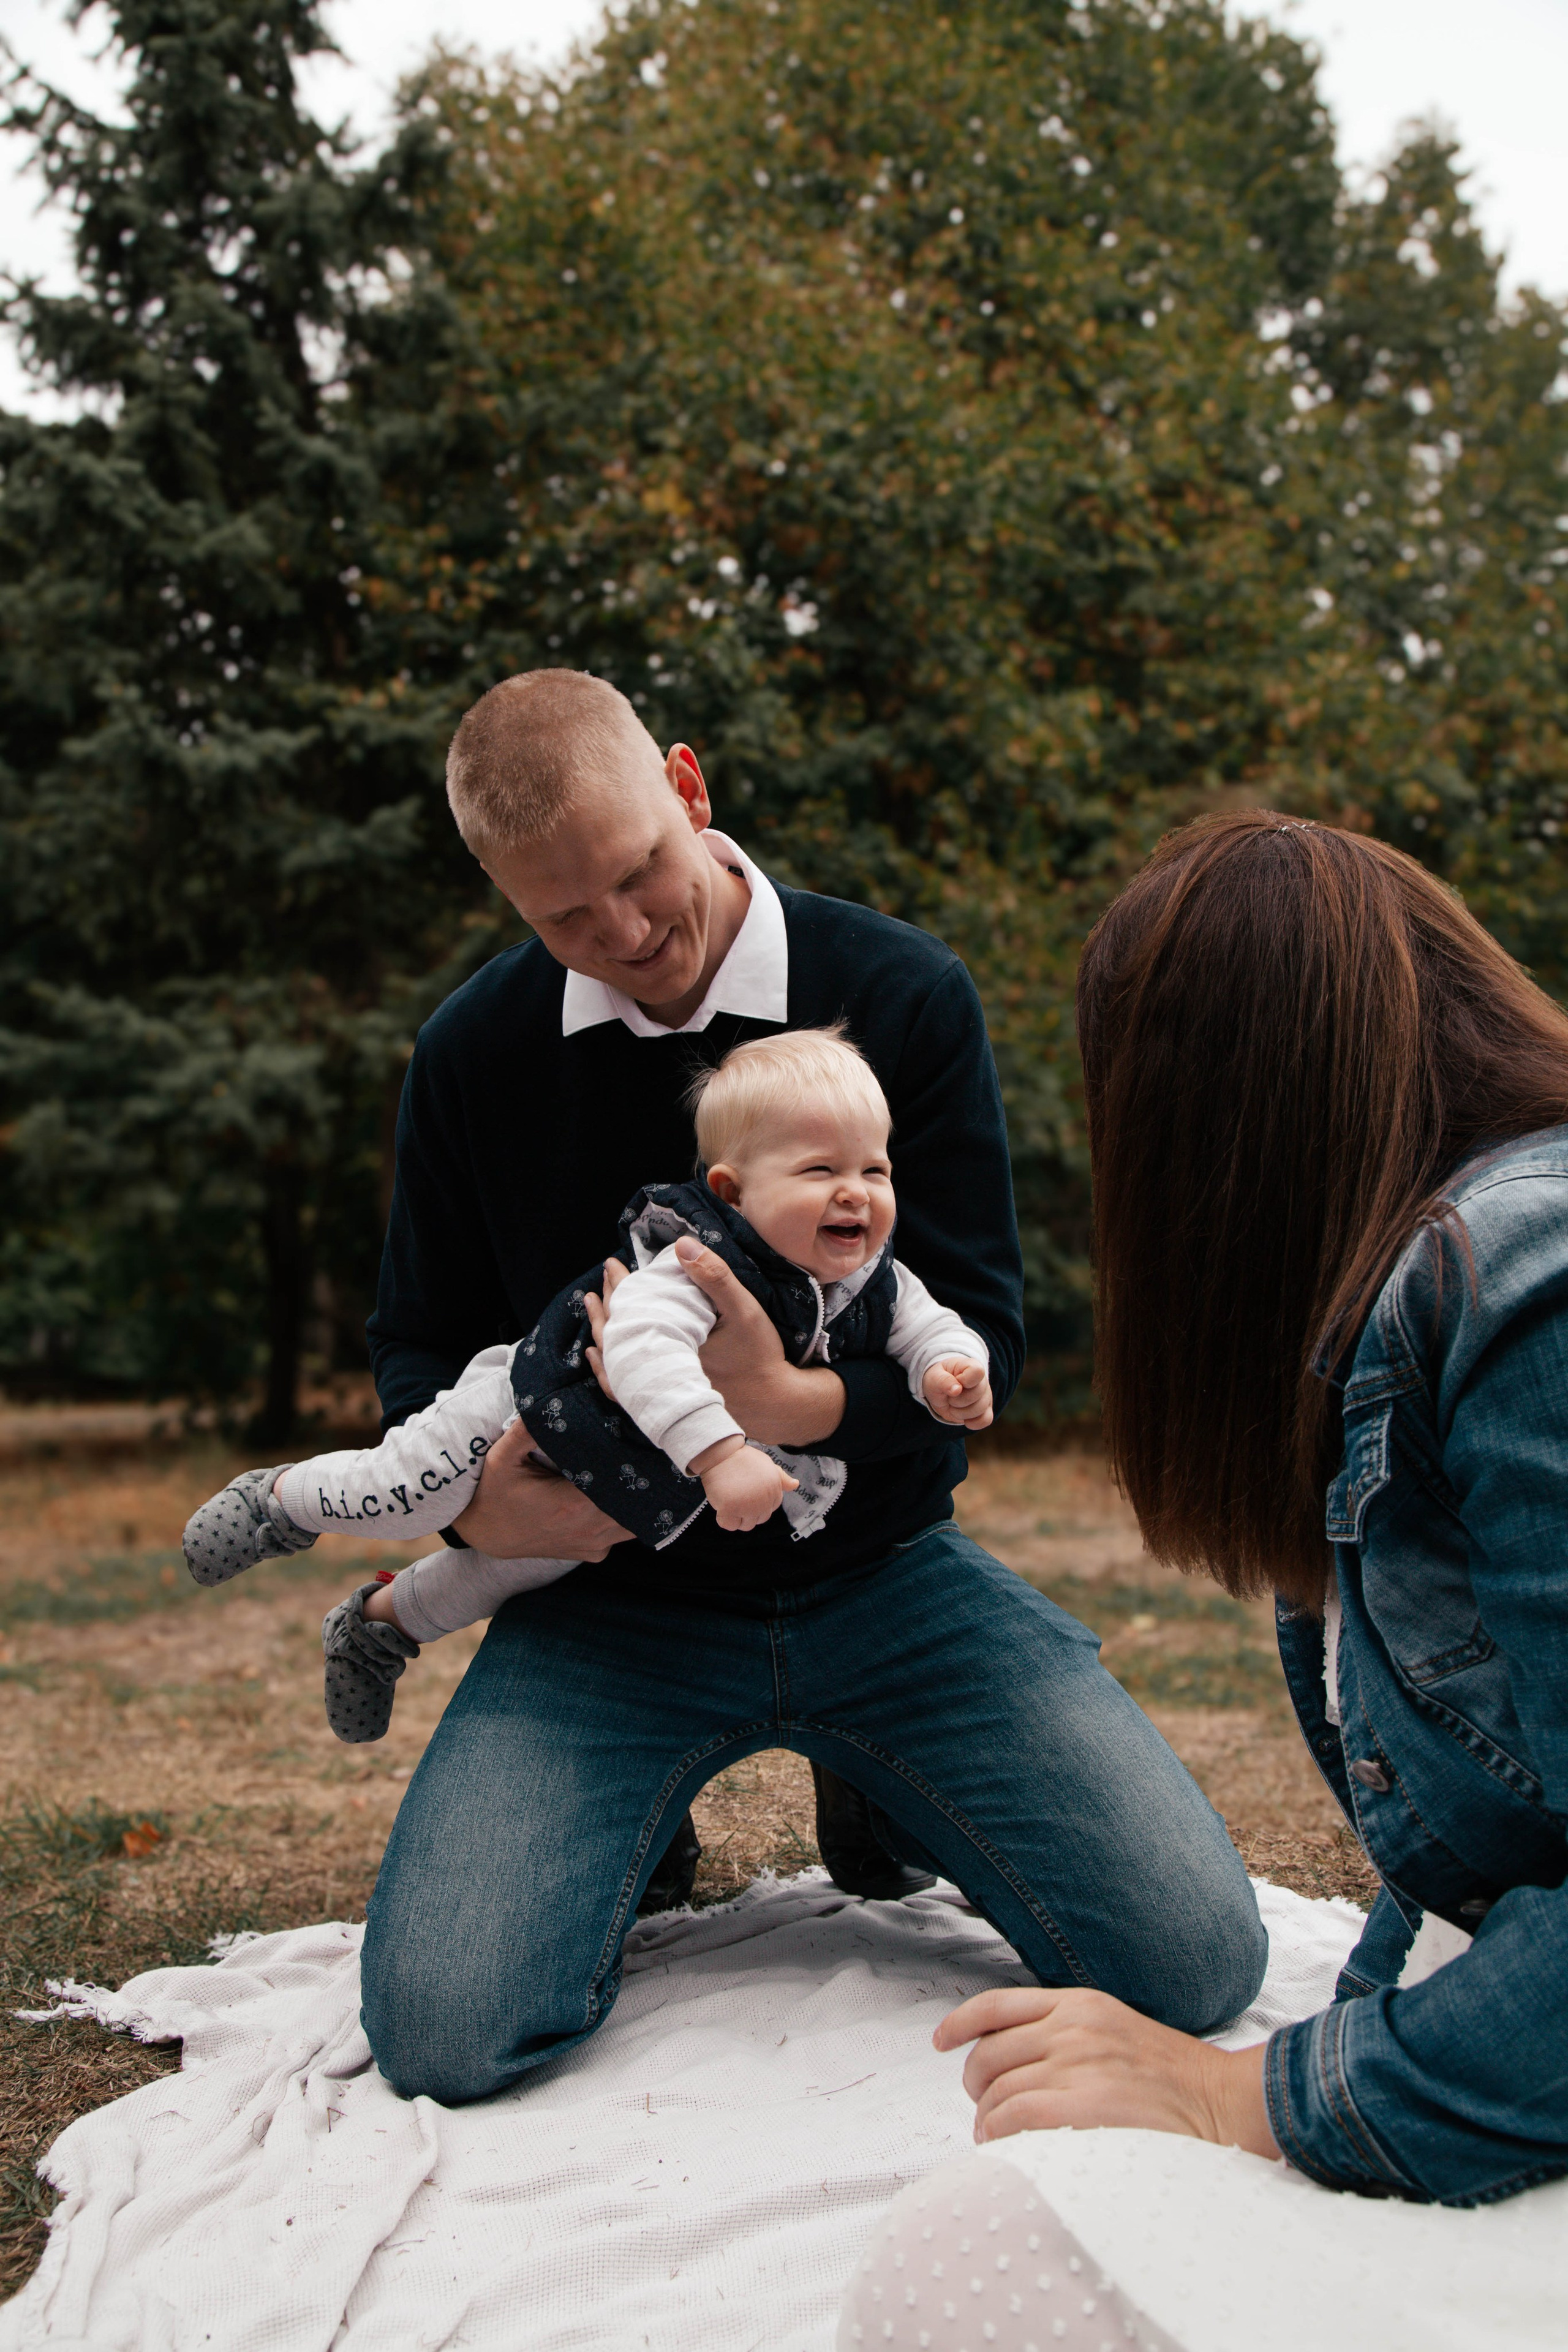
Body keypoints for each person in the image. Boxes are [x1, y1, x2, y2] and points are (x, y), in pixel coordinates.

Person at [322, 668, 1264, 2102]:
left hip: (882, 1570)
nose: (624, 933)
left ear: (688, 792)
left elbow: (987, 1343)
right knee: (446, 2034)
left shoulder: (896, 989)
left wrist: (784, 1412)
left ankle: (878, 1773)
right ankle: (645, 1819)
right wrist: (488, 1519)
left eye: (639, 875)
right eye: (562, 916)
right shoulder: (469, 1054)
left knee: (1194, 1968)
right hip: (608, 1604)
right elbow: (413, 1340)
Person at [840, 810, 1568, 2351]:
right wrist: (1353, 2045)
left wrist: (1249, 2094)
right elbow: (1490, 1862)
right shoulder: (1413, 1302)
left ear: (1213, 1133)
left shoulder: (1528, 1287)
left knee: (972, 2254)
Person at [181, 1027, 994, 1743]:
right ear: (731, 1191)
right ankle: (280, 1502)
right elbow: (641, 1350)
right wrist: (718, 1455)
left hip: (622, 1484)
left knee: (525, 1567)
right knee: (411, 1495)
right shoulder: (692, 1262)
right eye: (821, 1169)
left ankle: (377, 1628)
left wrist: (950, 1370)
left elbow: (929, 1327)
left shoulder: (876, 1280)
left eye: (875, 1169)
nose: (857, 1190)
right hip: (526, 1407)